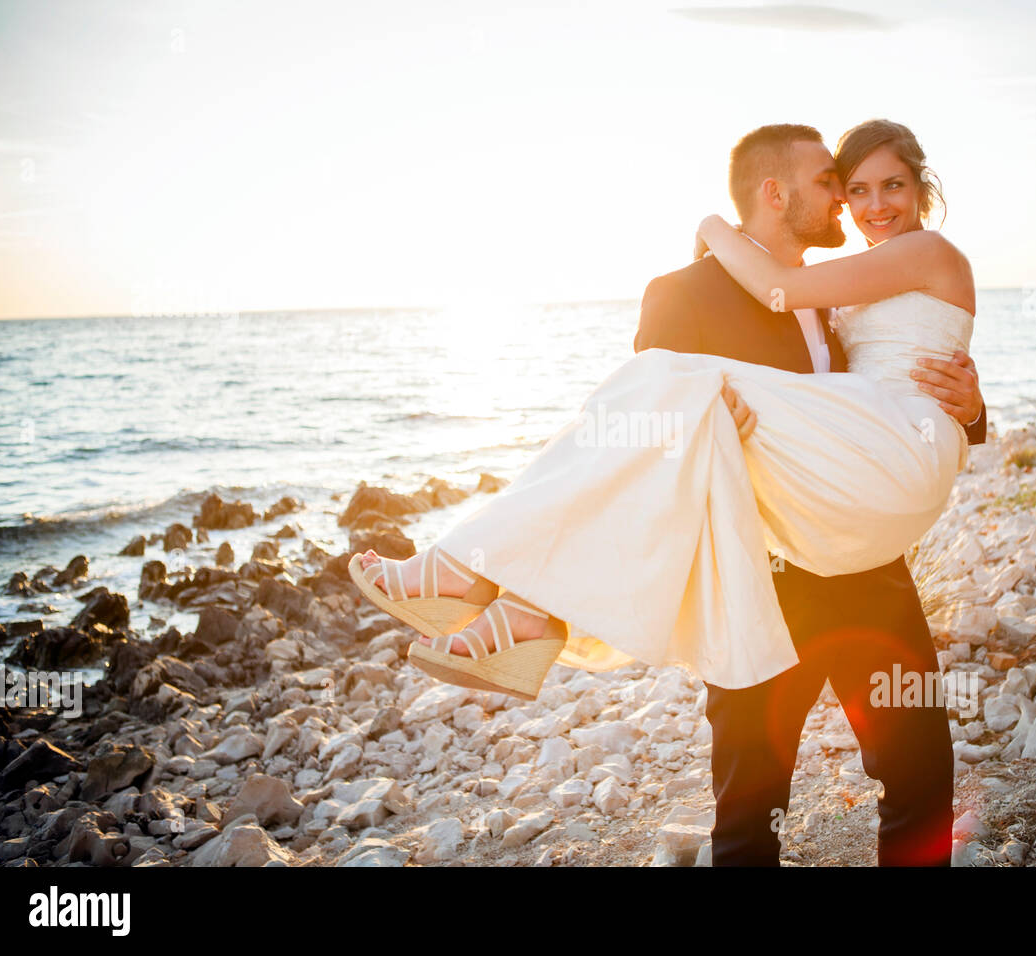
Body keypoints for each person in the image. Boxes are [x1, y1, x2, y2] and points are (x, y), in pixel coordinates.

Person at [352, 120, 986, 866]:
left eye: (882, 187)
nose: (851, 205)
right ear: (774, 192)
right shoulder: (683, 294)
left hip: (863, 566)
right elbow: (636, 451)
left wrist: (974, 409)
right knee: (750, 807)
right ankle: (512, 594)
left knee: (918, 772)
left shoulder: (846, 290)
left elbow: (904, 386)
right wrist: (709, 422)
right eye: (835, 186)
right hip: (754, 572)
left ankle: (503, 590)